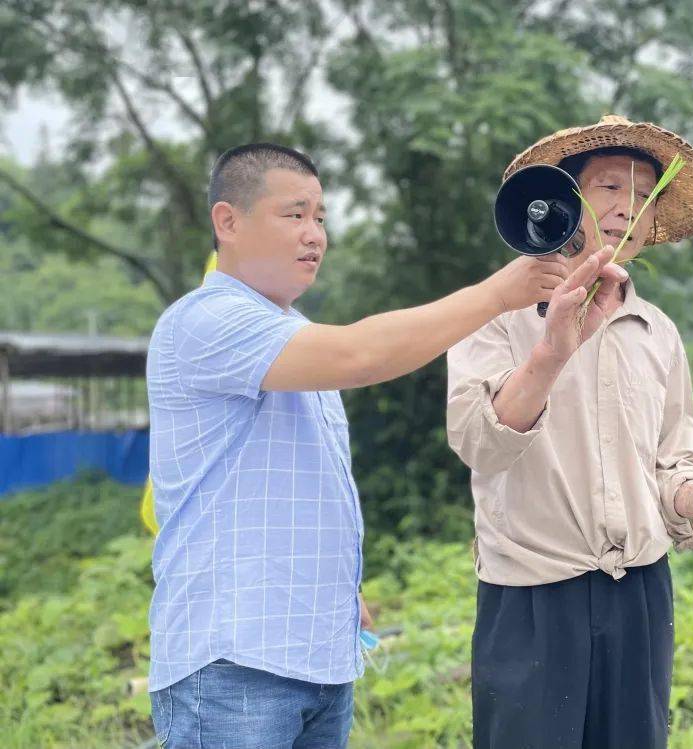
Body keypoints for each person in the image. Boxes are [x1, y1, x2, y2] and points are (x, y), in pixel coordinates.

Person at [146, 142, 628, 748]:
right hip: (233, 666)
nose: (314, 234)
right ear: (228, 221)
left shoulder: (291, 334)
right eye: (294, 214)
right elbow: (361, 354)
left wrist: (339, 590)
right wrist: (497, 295)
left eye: (320, 217)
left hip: (317, 656)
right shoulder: (205, 321)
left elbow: (294, 482)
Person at [446, 115, 693, 749]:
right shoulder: (496, 312)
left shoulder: (658, 333)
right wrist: (550, 352)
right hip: (534, 593)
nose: (629, 207)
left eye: (644, 192)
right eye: (609, 188)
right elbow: (477, 444)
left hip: (641, 592)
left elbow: (673, 460)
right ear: (568, 198)